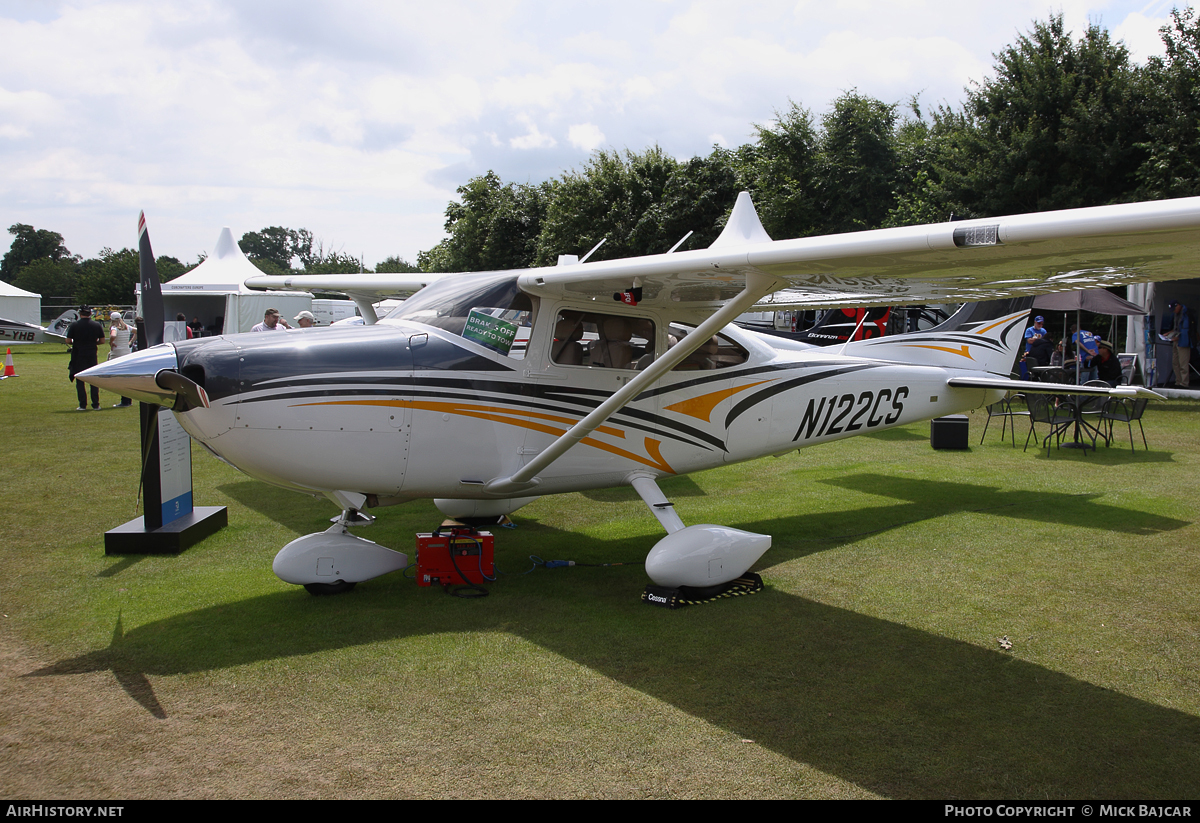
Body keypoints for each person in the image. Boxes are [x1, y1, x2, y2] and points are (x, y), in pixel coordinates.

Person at [66, 306, 104, 410]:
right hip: (91, 353)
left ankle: (82, 405)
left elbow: (68, 340)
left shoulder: (74, 325)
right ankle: (96, 404)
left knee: (80, 380)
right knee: (93, 380)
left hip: (78, 354)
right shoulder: (96, 325)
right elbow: (102, 341)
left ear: (80, 313)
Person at [1162, 300, 1191, 388]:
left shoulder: (1186, 315)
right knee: (1175, 362)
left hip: (1183, 341)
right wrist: (1169, 333)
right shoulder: (1175, 315)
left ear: (1178, 305)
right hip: (1176, 340)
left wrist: (1178, 337)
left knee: (1183, 362)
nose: (1174, 311)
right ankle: (1178, 381)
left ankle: (1184, 382)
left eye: (1175, 309)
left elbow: (1186, 330)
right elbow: (1176, 328)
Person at [108, 311, 134, 407]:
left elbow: (113, 335)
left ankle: (124, 401)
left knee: (119, 378)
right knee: (125, 377)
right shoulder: (127, 327)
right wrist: (131, 341)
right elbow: (138, 331)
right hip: (126, 353)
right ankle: (128, 399)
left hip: (117, 353)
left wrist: (111, 342)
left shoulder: (114, 328)